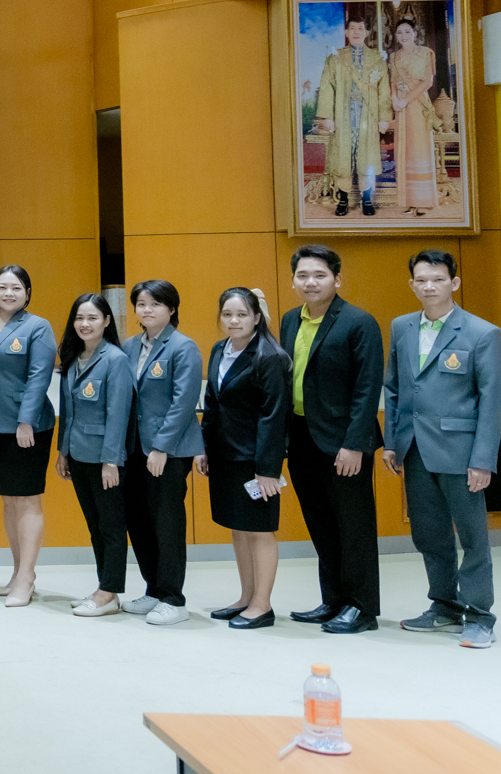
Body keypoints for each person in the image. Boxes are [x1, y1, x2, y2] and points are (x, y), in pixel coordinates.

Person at [384, 249, 499, 649]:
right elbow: (395, 388)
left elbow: (492, 401)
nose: (429, 287)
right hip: (414, 450)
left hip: (462, 453)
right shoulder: (401, 327)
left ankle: (480, 615)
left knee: (472, 538)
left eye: (437, 279)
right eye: (421, 280)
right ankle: (444, 606)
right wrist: (390, 443)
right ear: (412, 284)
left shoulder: (482, 333)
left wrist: (483, 459)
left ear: (454, 283)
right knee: (429, 535)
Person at [278, 245, 384, 634]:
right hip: (303, 439)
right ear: (294, 280)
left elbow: (367, 388)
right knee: (321, 524)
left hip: (344, 442)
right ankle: (334, 599)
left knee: (353, 526)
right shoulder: (290, 320)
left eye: (319, 275)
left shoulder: (358, 322)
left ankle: (362, 607)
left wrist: (355, 443)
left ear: (336, 279)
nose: (310, 282)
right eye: (303, 275)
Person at [0, 264, 57, 607]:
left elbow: (39, 377)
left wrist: (25, 421)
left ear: (27, 293)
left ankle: (28, 577)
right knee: (8, 498)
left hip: (26, 427)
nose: (8, 293)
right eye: (2, 287)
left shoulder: (37, 327)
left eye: (16, 288)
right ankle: (17, 571)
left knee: (28, 499)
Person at [201, 287, 289, 630]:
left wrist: (268, 469)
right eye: (227, 314)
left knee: (260, 530)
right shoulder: (218, 349)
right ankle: (246, 596)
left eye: (241, 314)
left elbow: (274, 416)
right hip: (225, 456)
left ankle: (263, 605)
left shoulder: (270, 356)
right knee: (238, 528)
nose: (233, 321)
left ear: (257, 317)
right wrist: (205, 449)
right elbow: (211, 402)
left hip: (255, 461)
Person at [123, 279, 202, 627]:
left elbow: (183, 404)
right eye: (141, 304)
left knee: (166, 522)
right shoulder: (128, 346)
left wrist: (161, 448)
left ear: (171, 309)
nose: (147, 310)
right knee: (138, 520)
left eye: (155, 304)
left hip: (167, 451)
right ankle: (153, 589)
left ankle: (174, 598)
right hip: (132, 450)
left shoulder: (183, 347)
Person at [54, 294, 134, 617]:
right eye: (79, 318)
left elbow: (119, 414)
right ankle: (105, 587)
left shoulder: (115, 359)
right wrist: (62, 453)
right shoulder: (73, 359)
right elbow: (68, 413)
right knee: (95, 525)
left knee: (112, 527)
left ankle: (109, 592)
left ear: (107, 321)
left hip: (105, 460)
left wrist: (111, 460)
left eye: (92, 318)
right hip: (78, 455)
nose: (85, 324)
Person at [313, 7, 388, 217]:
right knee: (343, 157)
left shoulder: (377, 58)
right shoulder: (335, 58)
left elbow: (384, 89)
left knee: (367, 157)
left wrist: (383, 118)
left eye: (360, 28)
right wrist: (327, 116)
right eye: (352, 28)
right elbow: (327, 85)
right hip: (343, 115)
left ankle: (366, 199)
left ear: (366, 33)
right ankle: (343, 200)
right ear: (346, 32)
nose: (356, 32)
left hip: (368, 115)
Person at [389, 15, 441, 216]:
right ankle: (409, 201)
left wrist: (406, 100)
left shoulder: (425, 53)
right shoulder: (394, 57)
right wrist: (394, 99)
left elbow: (427, 82)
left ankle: (423, 201)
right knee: (404, 150)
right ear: (395, 35)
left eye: (407, 32)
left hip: (417, 105)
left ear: (415, 34)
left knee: (419, 149)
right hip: (400, 108)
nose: (403, 35)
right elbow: (393, 82)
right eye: (399, 32)